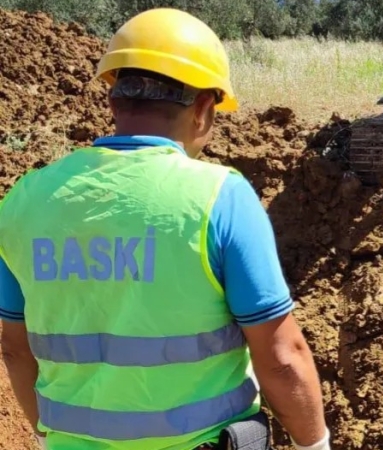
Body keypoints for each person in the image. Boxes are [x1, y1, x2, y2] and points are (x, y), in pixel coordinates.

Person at [0, 7, 330, 450]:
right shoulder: (220, 198)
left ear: (113, 99)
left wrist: (49, 438)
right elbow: (282, 357)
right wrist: (314, 444)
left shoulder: (22, 201)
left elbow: (15, 349)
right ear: (204, 108)